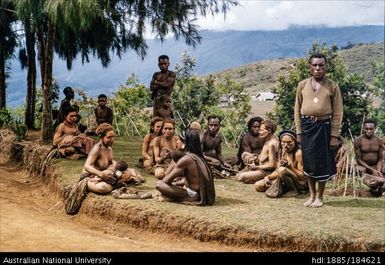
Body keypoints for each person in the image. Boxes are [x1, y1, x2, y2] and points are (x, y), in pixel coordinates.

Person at [294, 52, 343, 207]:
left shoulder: (332, 86)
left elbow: (338, 112)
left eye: (321, 65)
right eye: (314, 65)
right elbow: (297, 109)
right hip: (307, 126)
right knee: (308, 162)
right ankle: (312, 195)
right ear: (310, 67)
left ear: (325, 67)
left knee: (321, 163)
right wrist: (299, 131)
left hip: (324, 127)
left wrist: (334, 135)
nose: (318, 68)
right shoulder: (302, 85)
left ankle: (320, 197)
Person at [156, 128, 215, 205]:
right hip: (200, 193)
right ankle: (176, 197)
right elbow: (195, 179)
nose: (177, 142)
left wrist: (174, 160)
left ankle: (180, 198)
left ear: (184, 144)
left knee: (159, 184)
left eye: (179, 140)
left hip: (193, 195)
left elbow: (166, 180)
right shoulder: (198, 156)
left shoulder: (186, 159)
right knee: (177, 184)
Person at [255, 130, 307, 197]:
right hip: (283, 179)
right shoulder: (282, 151)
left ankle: (293, 190)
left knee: (282, 170)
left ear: (295, 142)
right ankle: (283, 188)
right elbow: (278, 170)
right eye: (283, 142)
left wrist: (290, 167)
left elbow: (302, 176)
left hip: (299, 183)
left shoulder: (298, 153)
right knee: (258, 185)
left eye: (289, 142)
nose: (286, 145)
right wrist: (268, 177)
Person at [235, 120, 279, 184]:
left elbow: (271, 165)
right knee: (244, 155)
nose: (259, 132)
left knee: (240, 177)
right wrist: (254, 157)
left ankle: (263, 179)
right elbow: (263, 157)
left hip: (266, 171)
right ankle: (254, 178)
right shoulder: (267, 139)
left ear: (269, 131)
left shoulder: (272, 144)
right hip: (260, 166)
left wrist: (256, 167)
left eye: (261, 130)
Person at [354, 119, 384, 196]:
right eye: (366, 129)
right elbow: (358, 159)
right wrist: (371, 170)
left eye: (371, 129)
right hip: (362, 166)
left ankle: (378, 184)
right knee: (362, 170)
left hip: (375, 166)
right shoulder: (358, 140)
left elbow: (380, 159)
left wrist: (378, 170)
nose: (369, 131)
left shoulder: (379, 141)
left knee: (382, 171)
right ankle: (371, 183)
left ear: (375, 128)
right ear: (363, 128)